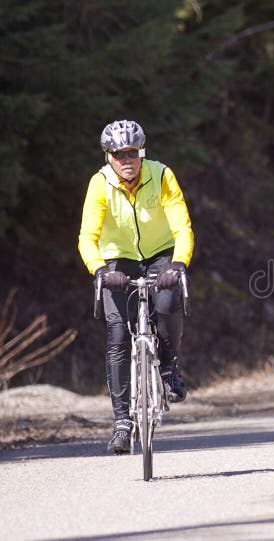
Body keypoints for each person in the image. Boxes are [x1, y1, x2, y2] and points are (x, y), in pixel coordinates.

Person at [78, 120, 194, 454]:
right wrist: (99, 269)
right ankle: (122, 422)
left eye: (132, 152)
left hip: (161, 255)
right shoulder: (99, 184)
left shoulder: (161, 175)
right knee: (117, 335)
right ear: (108, 156)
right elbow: (88, 236)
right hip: (117, 260)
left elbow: (182, 225)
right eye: (119, 154)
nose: (126, 160)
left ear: (142, 152)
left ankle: (169, 365)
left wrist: (178, 263)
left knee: (169, 305)